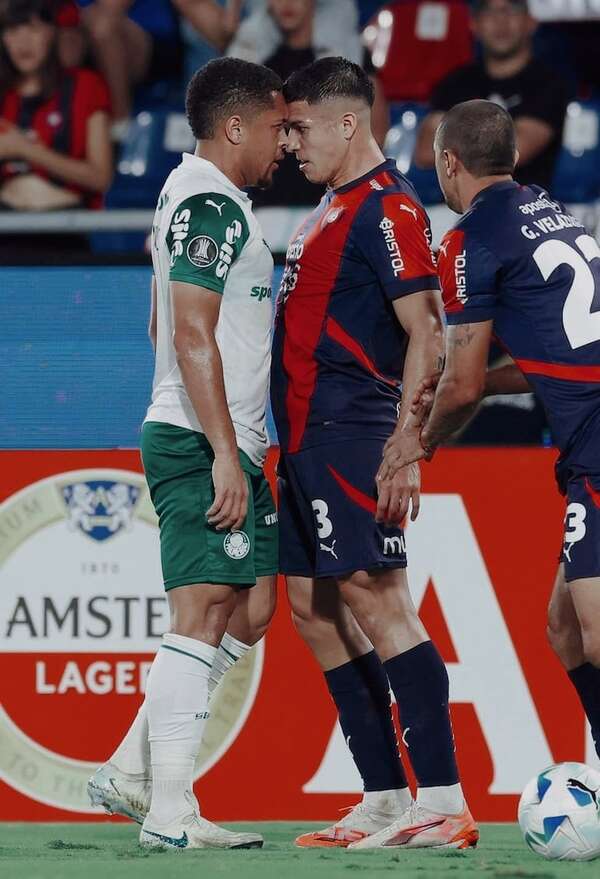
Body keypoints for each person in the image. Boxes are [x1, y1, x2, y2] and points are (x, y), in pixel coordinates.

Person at [271, 56, 478, 850]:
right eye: (284, 128)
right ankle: (387, 795)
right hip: (302, 443)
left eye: (299, 126)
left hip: (354, 432)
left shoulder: (390, 209)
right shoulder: (326, 209)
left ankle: (447, 798)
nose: (289, 142)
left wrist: (407, 440)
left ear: (347, 121)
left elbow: (429, 328)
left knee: (378, 600)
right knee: (314, 611)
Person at [88, 57, 287, 850]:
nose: (283, 144)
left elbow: (159, 324)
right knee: (203, 610)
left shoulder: (189, 192)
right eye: (275, 128)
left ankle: (132, 768)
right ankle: (169, 810)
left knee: (254, 606)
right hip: (206, 437)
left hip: (220, 427)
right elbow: (191, 332)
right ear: (234, 126)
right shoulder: (211, 205)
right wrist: (222, 451)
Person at [382, 98, 600, 765]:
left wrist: (414, 440)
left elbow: (464, 382)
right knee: (563, 627)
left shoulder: (470, 240)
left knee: (595, 633)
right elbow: (553, 358)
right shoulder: (553, 214)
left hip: (595, 448)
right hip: (589, 435)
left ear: (448, 164)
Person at [414, 0, 569, 194]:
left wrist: (455, 143)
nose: (500, 21)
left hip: (527, 207)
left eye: (511, 10)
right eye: (489, 12)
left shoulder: (548, 83)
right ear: (474, 24)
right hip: (460, 208)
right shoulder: (454, 83)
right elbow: (426, 152)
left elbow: (515, 151)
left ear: (530, 22)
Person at [0, 0, 112, 212]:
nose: (23, 42)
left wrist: (23, 149)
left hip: (65, 225)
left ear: (53, 32)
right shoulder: (4, 95)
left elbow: (101, 178)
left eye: (33, 28)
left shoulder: (86, 86)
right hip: (5, 225)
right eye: (12, 30)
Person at [79, 0, 182, 139]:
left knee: (103, 27)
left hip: (150, 37)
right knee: (63, 33)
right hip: (87, 30)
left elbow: (112, 5)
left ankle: (121, 122)